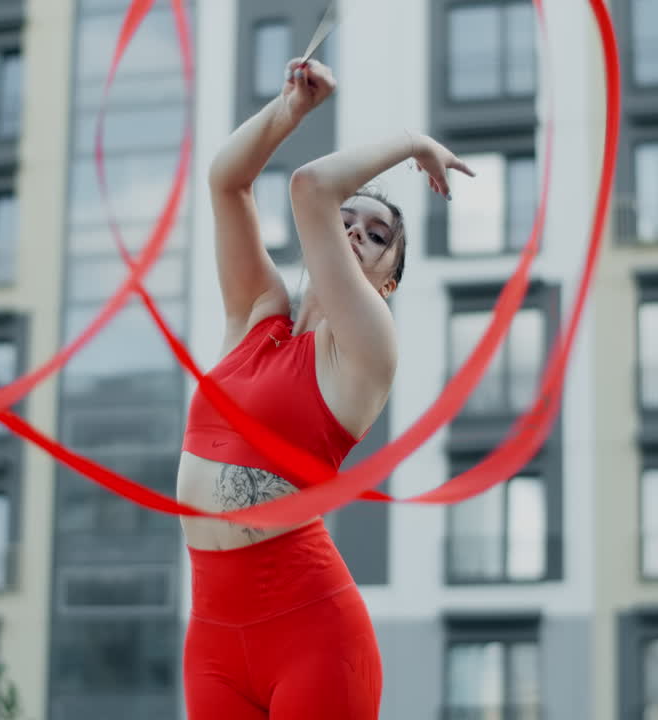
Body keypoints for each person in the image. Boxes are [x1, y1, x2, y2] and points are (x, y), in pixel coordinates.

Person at [177, 57, 472, 719]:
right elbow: (227, 183)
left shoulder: (368, 347)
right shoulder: (258, 312)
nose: (353, 234)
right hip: (214, 638)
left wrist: (414, 143)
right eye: (349, 221)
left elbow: (311, 187)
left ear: (388, 282)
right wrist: (288, 111)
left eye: (376, 237)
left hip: (309, 630)